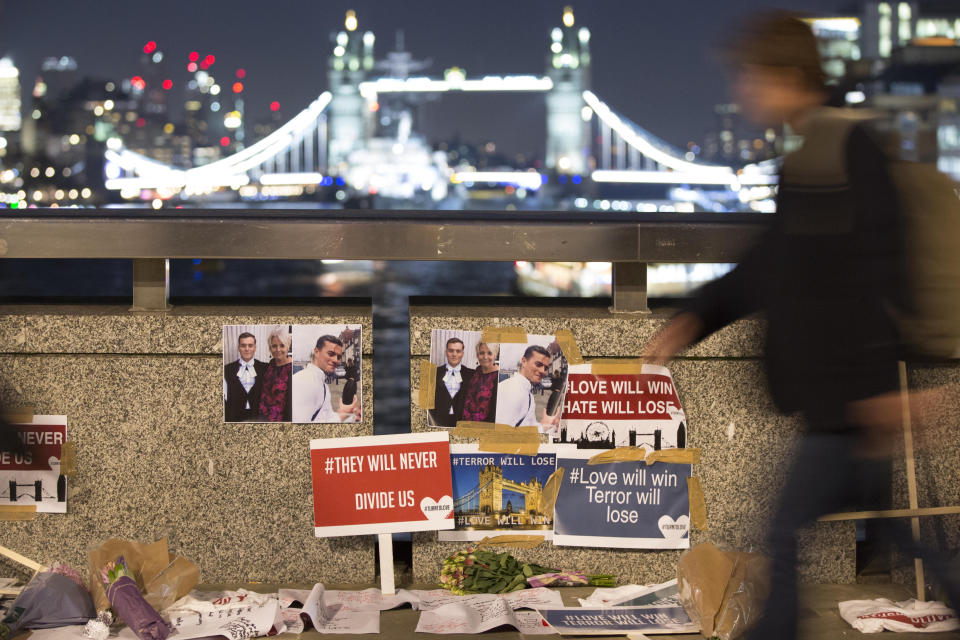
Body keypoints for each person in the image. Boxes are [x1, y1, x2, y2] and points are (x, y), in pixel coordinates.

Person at [642, 13, 958, 640]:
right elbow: (773, 264)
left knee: (784, 534)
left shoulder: (846, 150)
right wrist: (695, 317)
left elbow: (876, 271)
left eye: (752, 78)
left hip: (850, 396)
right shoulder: (812, 155)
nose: (744, 92)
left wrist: (877, 386)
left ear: (788, 76)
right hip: (839, 395)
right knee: (892, 531)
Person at [292, 334, 360, 423]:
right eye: (330, 354)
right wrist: (342, 415)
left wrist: (345, 413)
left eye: (339, 357)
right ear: (316, 352)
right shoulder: (303, 381)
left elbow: (325, 417)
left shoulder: (323, 385)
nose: (336, 360)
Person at [495, 345, 560, 433]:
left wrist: (546, 427)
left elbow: (527, 427)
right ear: (524, 361)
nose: (543, 371)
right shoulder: (512, 390)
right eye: (538, 364)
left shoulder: (526, 392)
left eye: (546, 368)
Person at [430, 337, 475, 428]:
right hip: (439, 422)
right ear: (446, 352)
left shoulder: (472, 374)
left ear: (462, 354)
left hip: (463, 422)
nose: (454, 354)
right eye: (451, 350)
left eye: (458, 351)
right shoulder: (433, 372)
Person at [223, 332, 268, 422]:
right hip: (235, 418)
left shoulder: (265, 368)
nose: (247, 349)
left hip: (259, 417)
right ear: (239, 348)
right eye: (243, 345)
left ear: (255, 348)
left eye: (250, 345)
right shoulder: (227, 369)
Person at [258, 326, 292, 422]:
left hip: (280, 421)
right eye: (274, 346)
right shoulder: (271, 364)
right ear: (270, 348)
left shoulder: (293, 369)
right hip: (262, 417)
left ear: (288, 346)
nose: (278, 349)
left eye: (282, 345)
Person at [460, 342, 499, 423]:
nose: (485, 357)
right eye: (481, 353)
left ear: (495, 355)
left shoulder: (500, 377)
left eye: (490, 353)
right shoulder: (475, 373)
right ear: (477, 355)